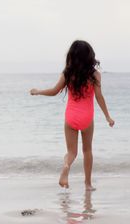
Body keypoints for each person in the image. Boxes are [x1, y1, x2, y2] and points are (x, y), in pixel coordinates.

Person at [30, 40, 115, 191]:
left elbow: (54, 91)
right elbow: (99, 97)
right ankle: (88, 184)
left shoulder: (68, 74)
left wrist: (38, 91)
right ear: (89, 56)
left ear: (72, 56)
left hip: (70, 117)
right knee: (87, 150)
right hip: (87, 118)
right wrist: (107, 116)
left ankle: (66, 166)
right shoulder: (94, 75)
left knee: (71, 152)